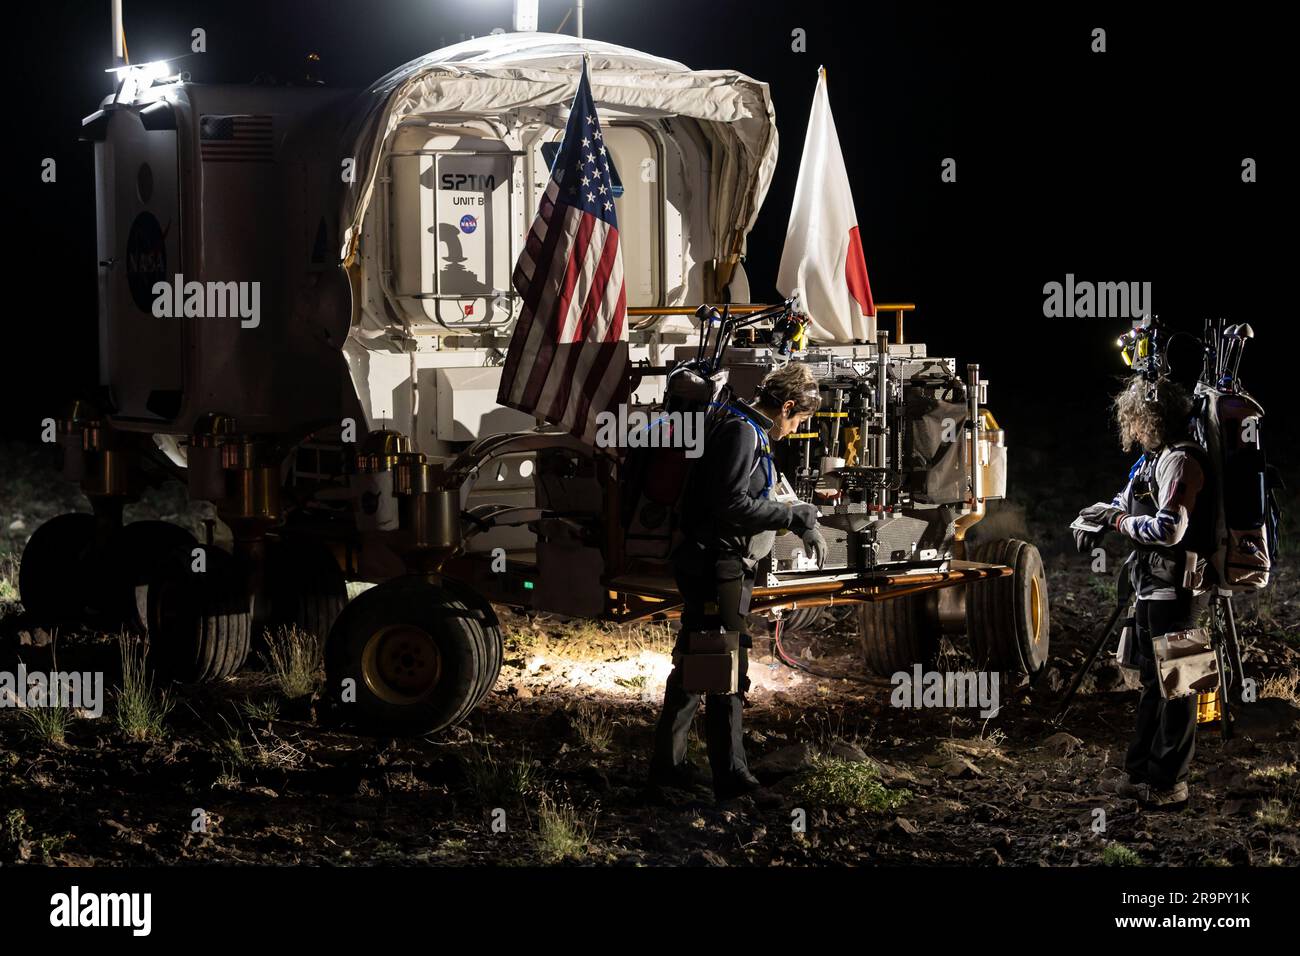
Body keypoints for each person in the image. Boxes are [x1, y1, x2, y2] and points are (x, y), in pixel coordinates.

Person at [649, 362, 827, 801]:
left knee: (697, 660)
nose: (796, 428)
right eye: (800, 419)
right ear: (787, 406)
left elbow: (755, 493)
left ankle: (668, 768)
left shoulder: (745, 427)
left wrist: (797, 514)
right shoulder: (743, 432)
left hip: (716, 561)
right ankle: (730, 776)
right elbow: (730, 502)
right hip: (717, 563)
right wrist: (790, 516)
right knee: (726, 666)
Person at [1075, 374, 1211, 810]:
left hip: (1182, 590)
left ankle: (1171, 783)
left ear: (1148, 418)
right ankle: (1142, 774)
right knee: (1157, 682)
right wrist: (1099, 515)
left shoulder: (1182, 461)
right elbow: (1130, 499)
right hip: (1155, 588)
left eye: (1134, 419)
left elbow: (1169, 528)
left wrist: (1116, 524)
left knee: (1181, 685)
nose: (1131, 429)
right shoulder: (1156, 459)